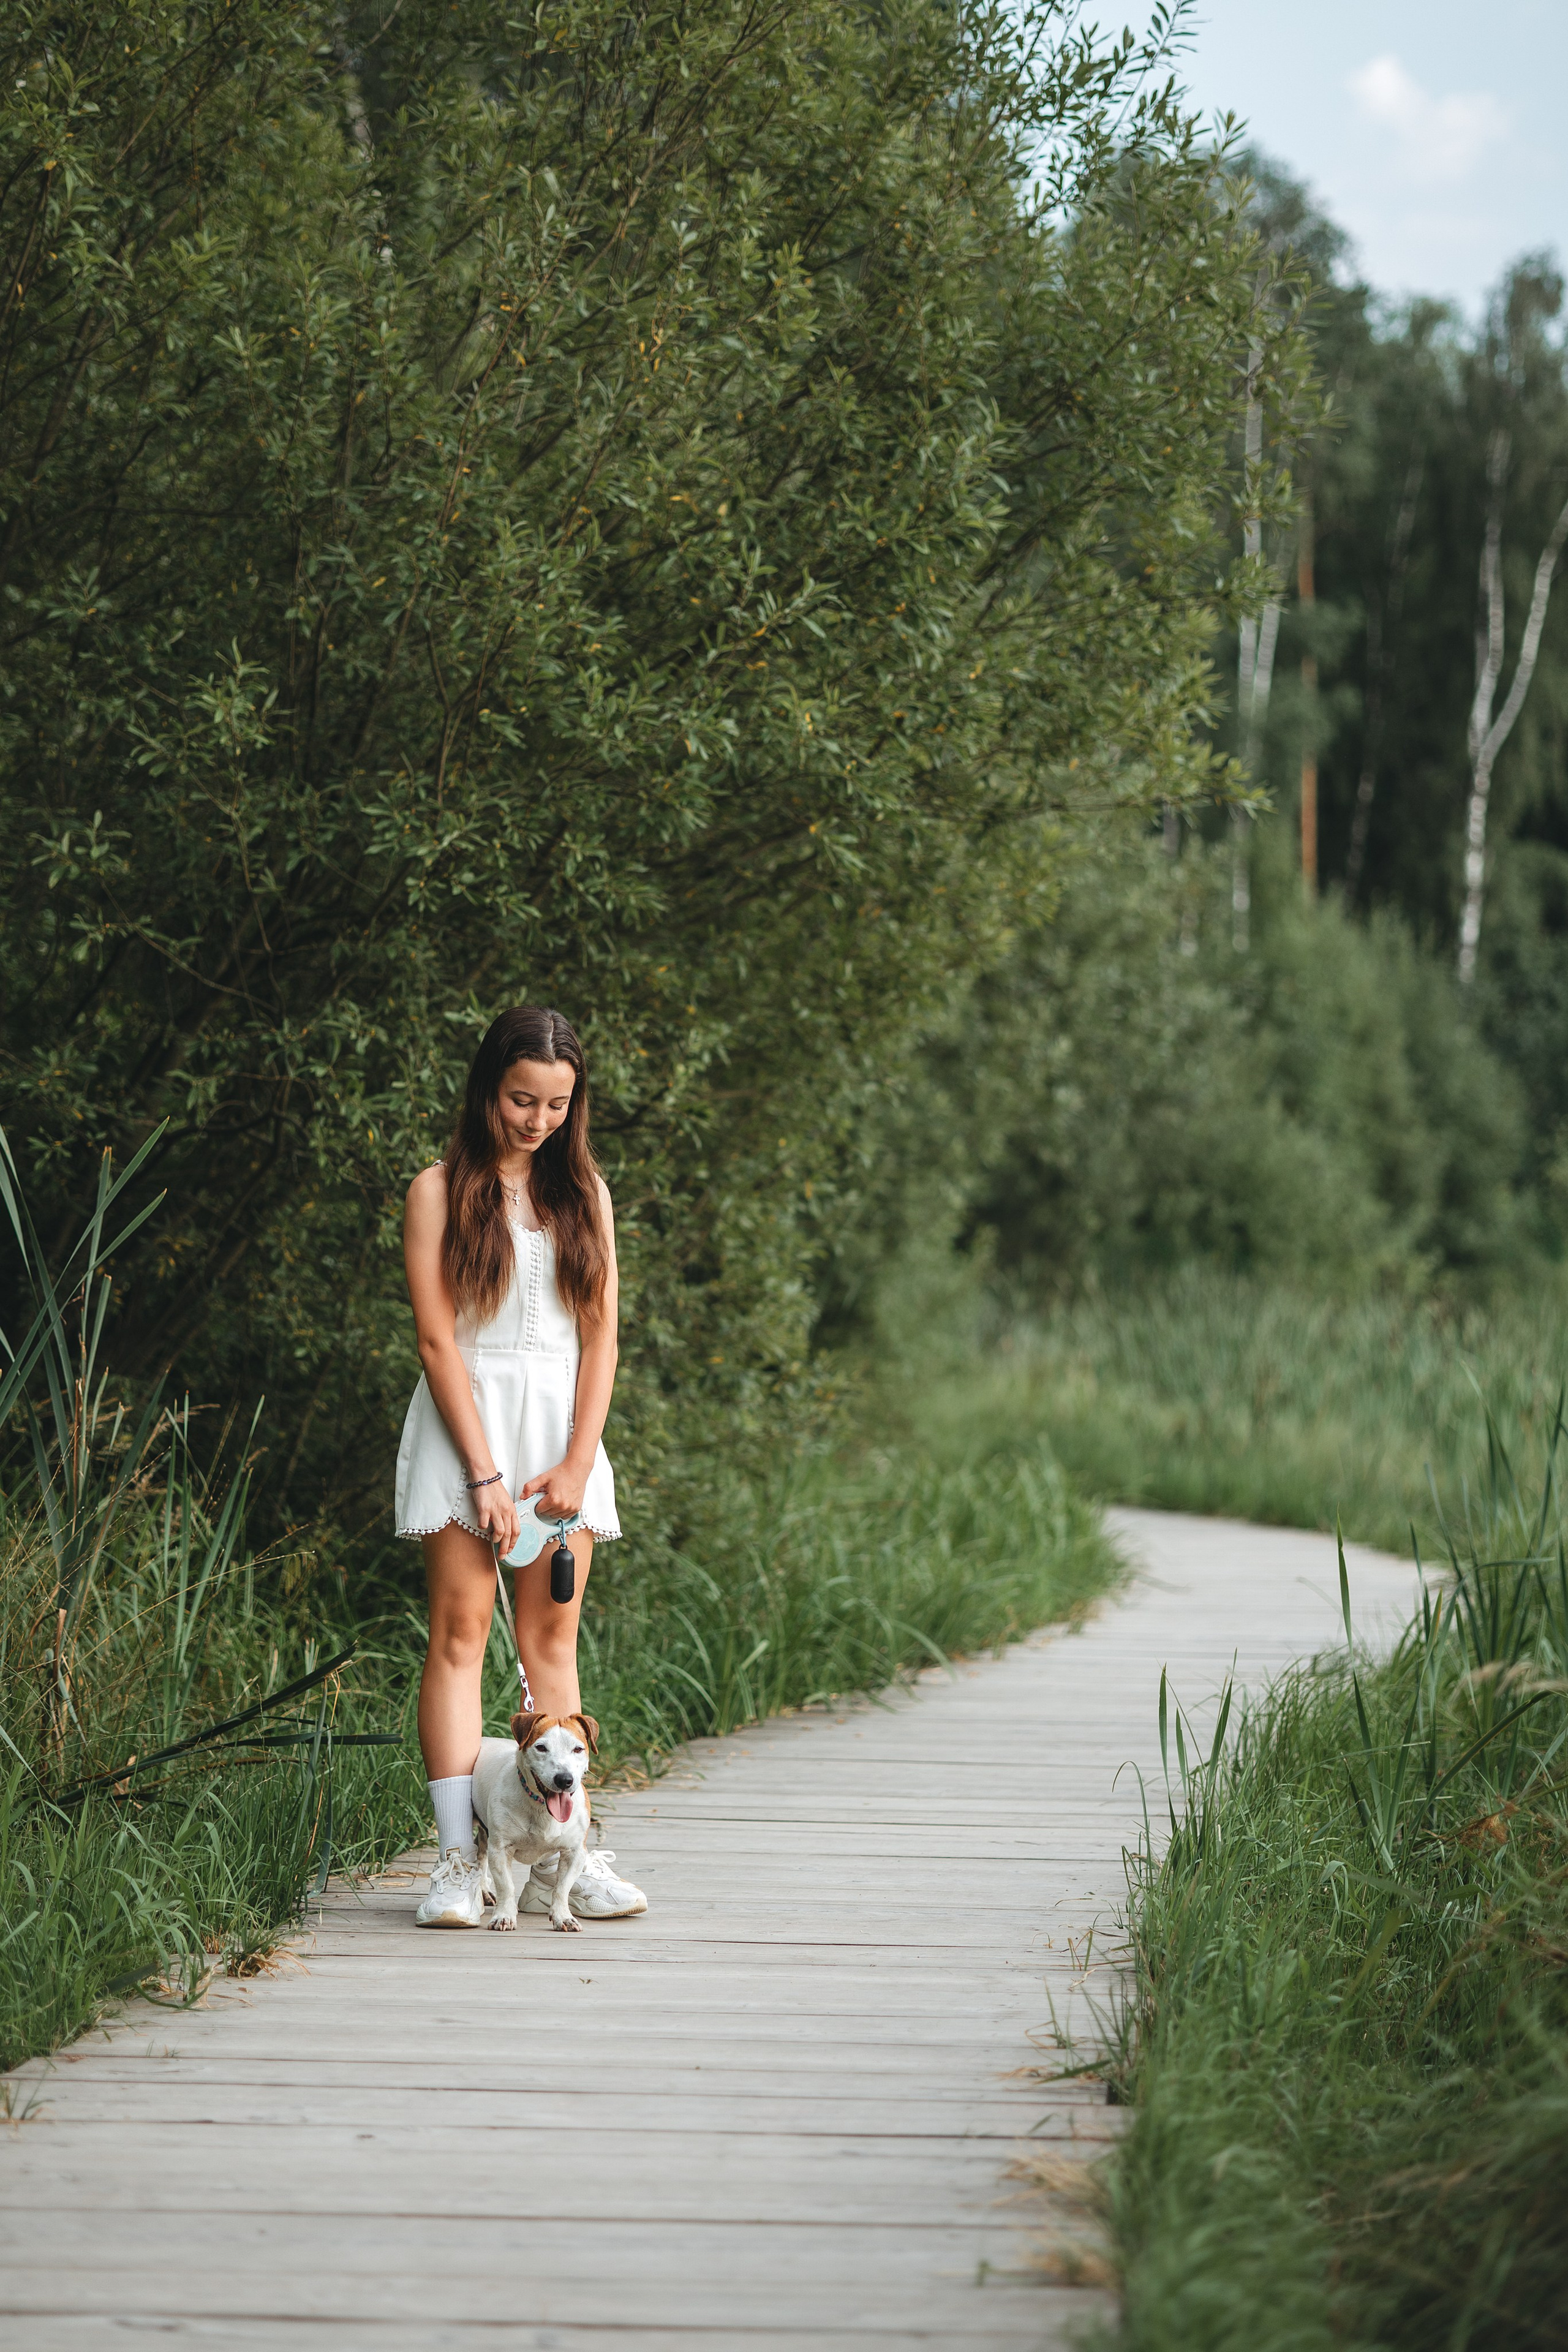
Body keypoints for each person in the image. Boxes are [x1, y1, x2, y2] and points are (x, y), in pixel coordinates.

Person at [394, 1005, 645, 1927]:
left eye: (555, 1104)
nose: (536, 1120)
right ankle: (459, 1863)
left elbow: (603, 1337)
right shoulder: (437, 1190)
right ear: (487, 1089)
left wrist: (578, 1460)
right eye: (519, 1100)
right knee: (461, 1637)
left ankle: (566, 1860)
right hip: (469, 1429)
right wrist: (485, 1475)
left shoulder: (587, 1197)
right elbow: (435, 1340)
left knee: (554, 1646)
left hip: (561, 1438)